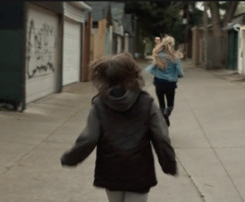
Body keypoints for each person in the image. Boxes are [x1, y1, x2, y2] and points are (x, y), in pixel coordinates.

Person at [60, 52, 178, 202]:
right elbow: (161, 137)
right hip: (139, 170)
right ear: (133, 75)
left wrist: (71, 158)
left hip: (111, 169)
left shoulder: (100, 104)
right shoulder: (147, 103)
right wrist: (169, 164)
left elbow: (89, 138)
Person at [145, 35, 183, 127]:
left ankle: (162, 117)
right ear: (172, 44)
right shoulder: (175, 57)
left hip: (159, 83)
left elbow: (151, 69)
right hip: (170, 84)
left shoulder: (158, 56)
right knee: (170, 105)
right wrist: (178, 75)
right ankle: (166, 114)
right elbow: (180, 73)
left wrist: (158, 72)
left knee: (161, 104)